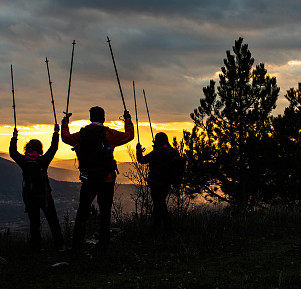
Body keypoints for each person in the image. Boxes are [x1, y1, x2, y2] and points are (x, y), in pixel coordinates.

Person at [61, 106, 133, 253]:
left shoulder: (82, 134)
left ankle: (76, 246)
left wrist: (65, 122)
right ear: (104, 118)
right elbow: (129, 135)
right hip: (106, 178)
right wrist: (127, 119)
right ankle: (103, 246)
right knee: (105, 212)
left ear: (90, 118)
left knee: (82, 212)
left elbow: (66, 138)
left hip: (88, 178)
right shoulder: (108, 133)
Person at [9, 124, 65, 251]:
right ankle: (60, 246)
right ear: (40, 149)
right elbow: (53, 148)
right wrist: (56, 132)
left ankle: (36, 248)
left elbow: (12, 152)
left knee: (34, 223)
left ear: (27, 149)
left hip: (30, 198)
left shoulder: (24, 161)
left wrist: (14, 137)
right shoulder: (43, 161)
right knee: (53, 221)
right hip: (45, 196)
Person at [136, 132, 184, 235]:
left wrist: (138, 149)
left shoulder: (155, 153)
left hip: (156, 184)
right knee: (159, 205)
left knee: (159, 206)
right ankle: (158, 229)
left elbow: (141, 160)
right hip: (167, 184)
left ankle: (166, 229)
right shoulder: (172, 151)